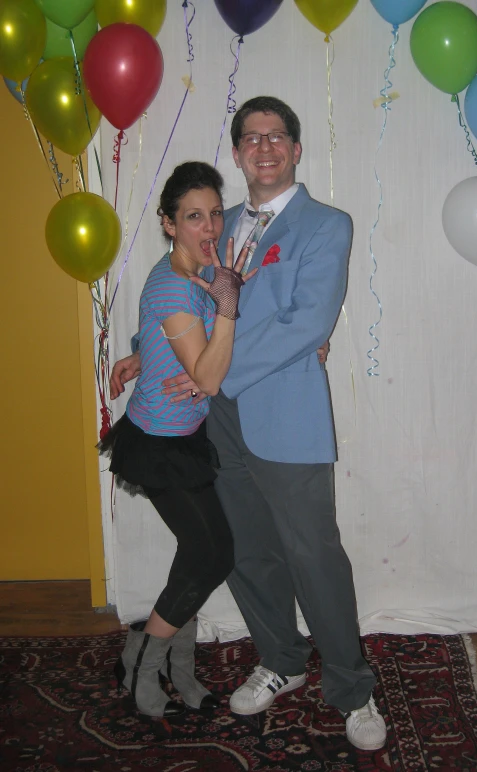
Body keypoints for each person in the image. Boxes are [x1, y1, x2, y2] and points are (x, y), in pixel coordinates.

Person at [111, 97, 387, 751]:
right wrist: (141, 347)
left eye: (276, 136)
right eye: (250, 137)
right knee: (245, 552)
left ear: (294, 150)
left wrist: (217, 376)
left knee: (312, 554)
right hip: (214, 422)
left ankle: (352, 687)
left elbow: (307, 325)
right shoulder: (218, 222)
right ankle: (281, 659)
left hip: (282, 414)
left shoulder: (326, 225)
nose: (263, 147)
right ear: (237, 153)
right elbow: (181, 295)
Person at [101, 161, 257, 719]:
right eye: (194, 217)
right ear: (169, 224)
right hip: (159, 445)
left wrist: (144, 353)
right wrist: (229, 303)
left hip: (186, 438)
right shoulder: (180, 284)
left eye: (215, 213)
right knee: (212, 552)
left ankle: (176, 665)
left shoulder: (191, 270)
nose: (209, 226)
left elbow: (163, 328)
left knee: (200, 553)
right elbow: (209, 376)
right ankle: (142, 660)